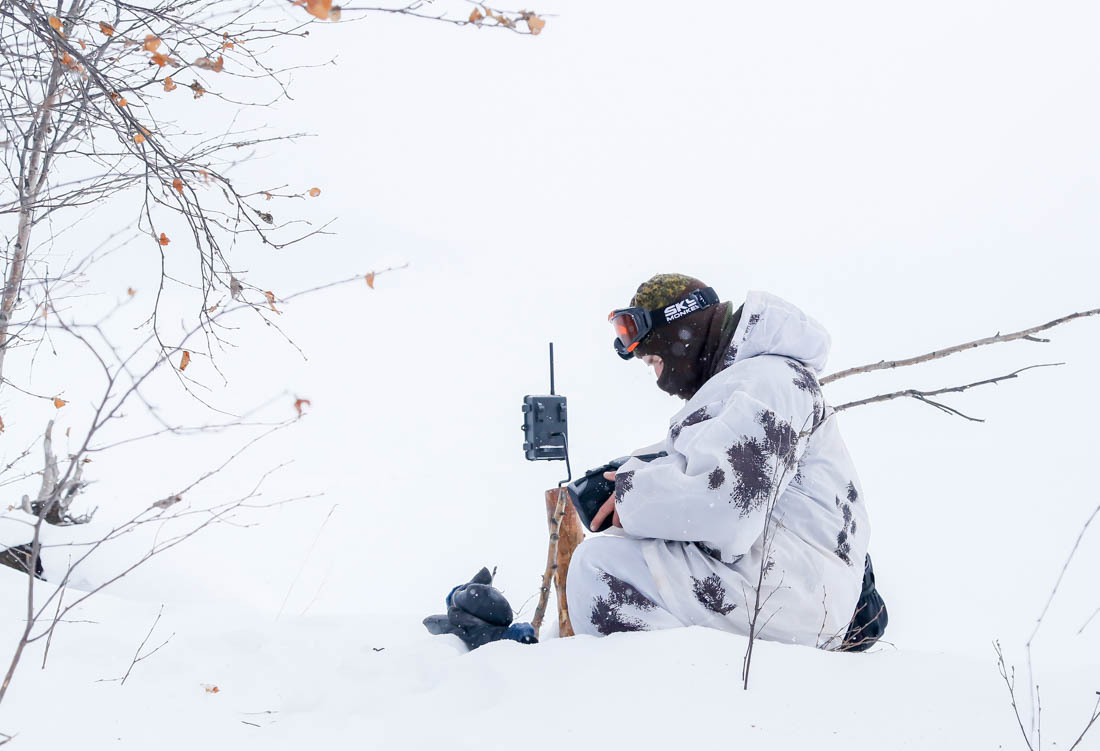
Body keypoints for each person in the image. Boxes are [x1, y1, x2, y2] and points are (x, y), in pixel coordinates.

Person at [566, 273, 887, 650]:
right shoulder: (752, 384)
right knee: (626, 556)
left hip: (794, 589)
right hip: (792, 582)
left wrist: (630, 496)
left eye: (654, 360)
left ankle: (662, 689)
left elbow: (725, 507)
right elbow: (713, 471)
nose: (658, 379)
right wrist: (634, 473)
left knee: (600, 566)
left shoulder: (767, 381)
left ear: (681, 337)